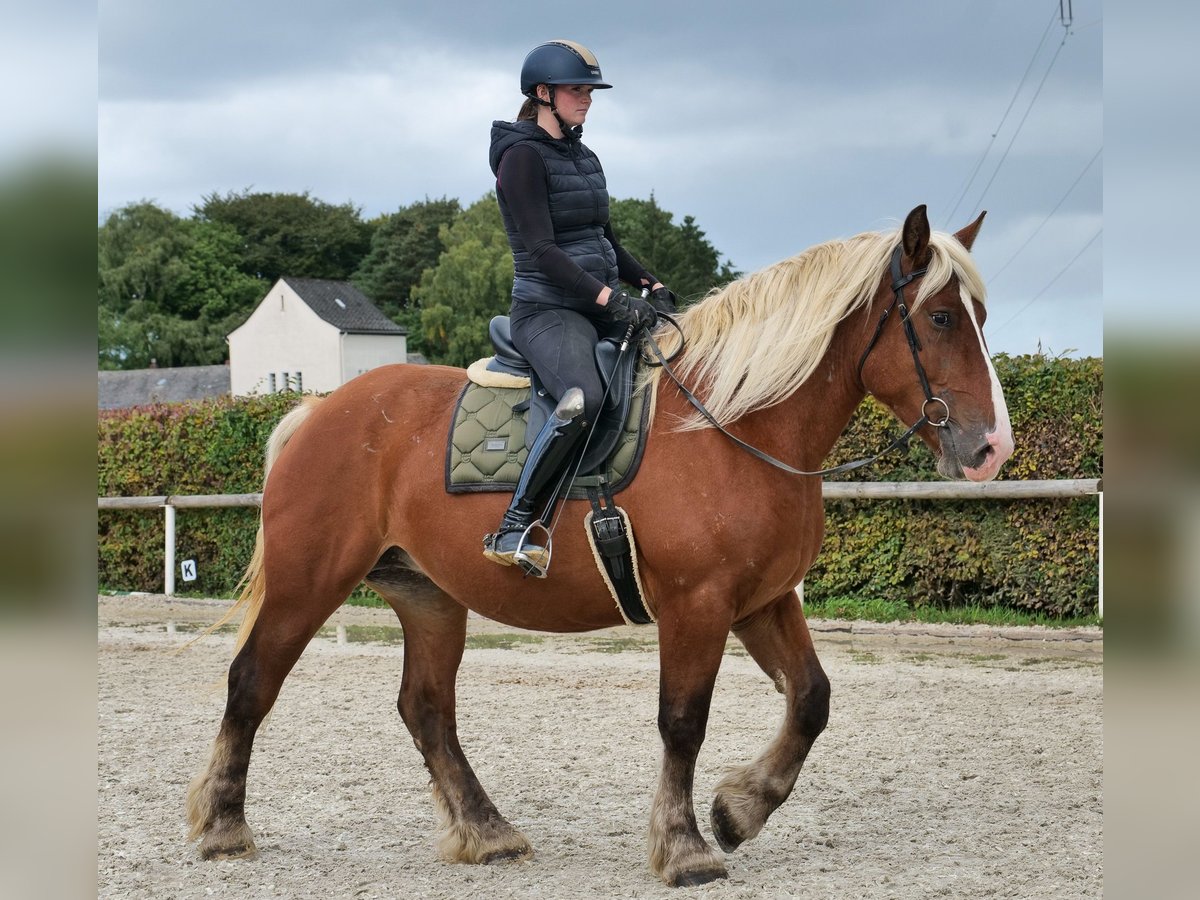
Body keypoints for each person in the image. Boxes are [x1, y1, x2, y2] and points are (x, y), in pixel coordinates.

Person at [483, 39, 677, 575]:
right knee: (581, 397)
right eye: (577, 90)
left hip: (598, 305)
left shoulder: (584, 157)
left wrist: (650, 283)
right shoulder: (521, 158)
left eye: (590, 91)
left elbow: (605, 240)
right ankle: (514, 525)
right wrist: (610, 299)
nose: (587, 99)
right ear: (543, 94)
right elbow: (542, 251)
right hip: (546, 311)